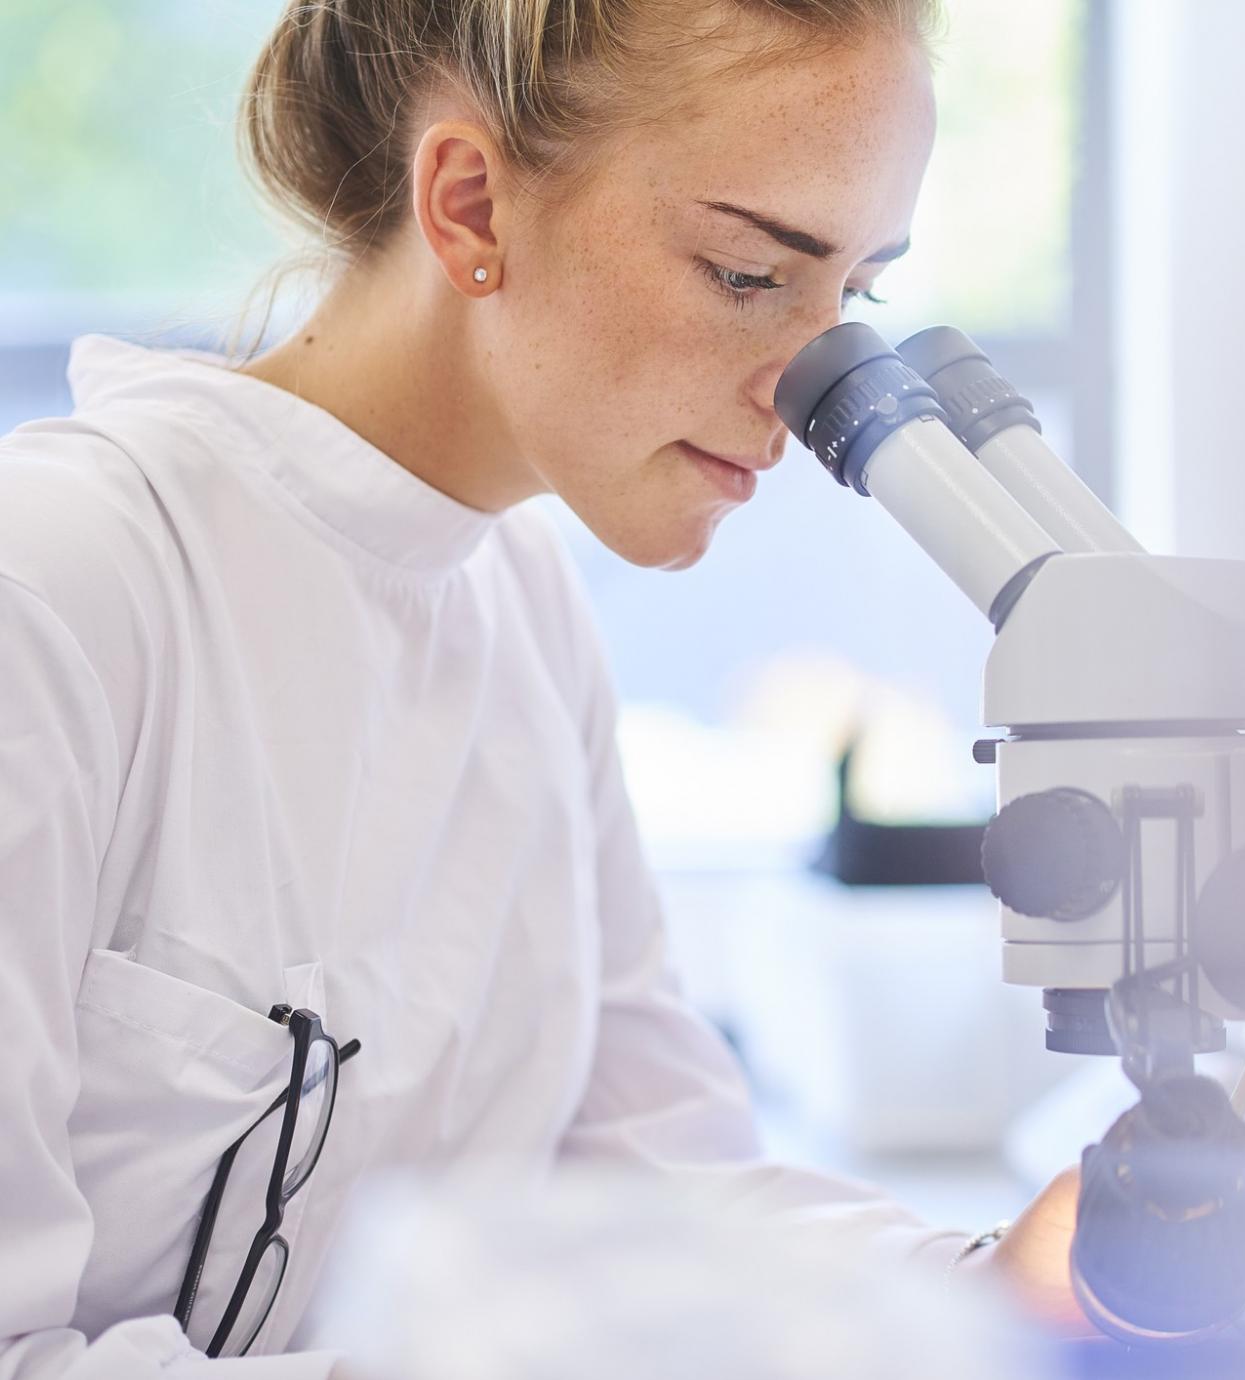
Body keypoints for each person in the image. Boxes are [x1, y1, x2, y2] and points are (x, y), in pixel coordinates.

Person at [0, 1, 1084, 1372]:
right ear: (468, 207)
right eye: (752, 274)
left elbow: (654, 1191)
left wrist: (994, 1285)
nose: (807, 400)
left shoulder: (524, 611)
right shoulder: (57, 596)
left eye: (854, 297)